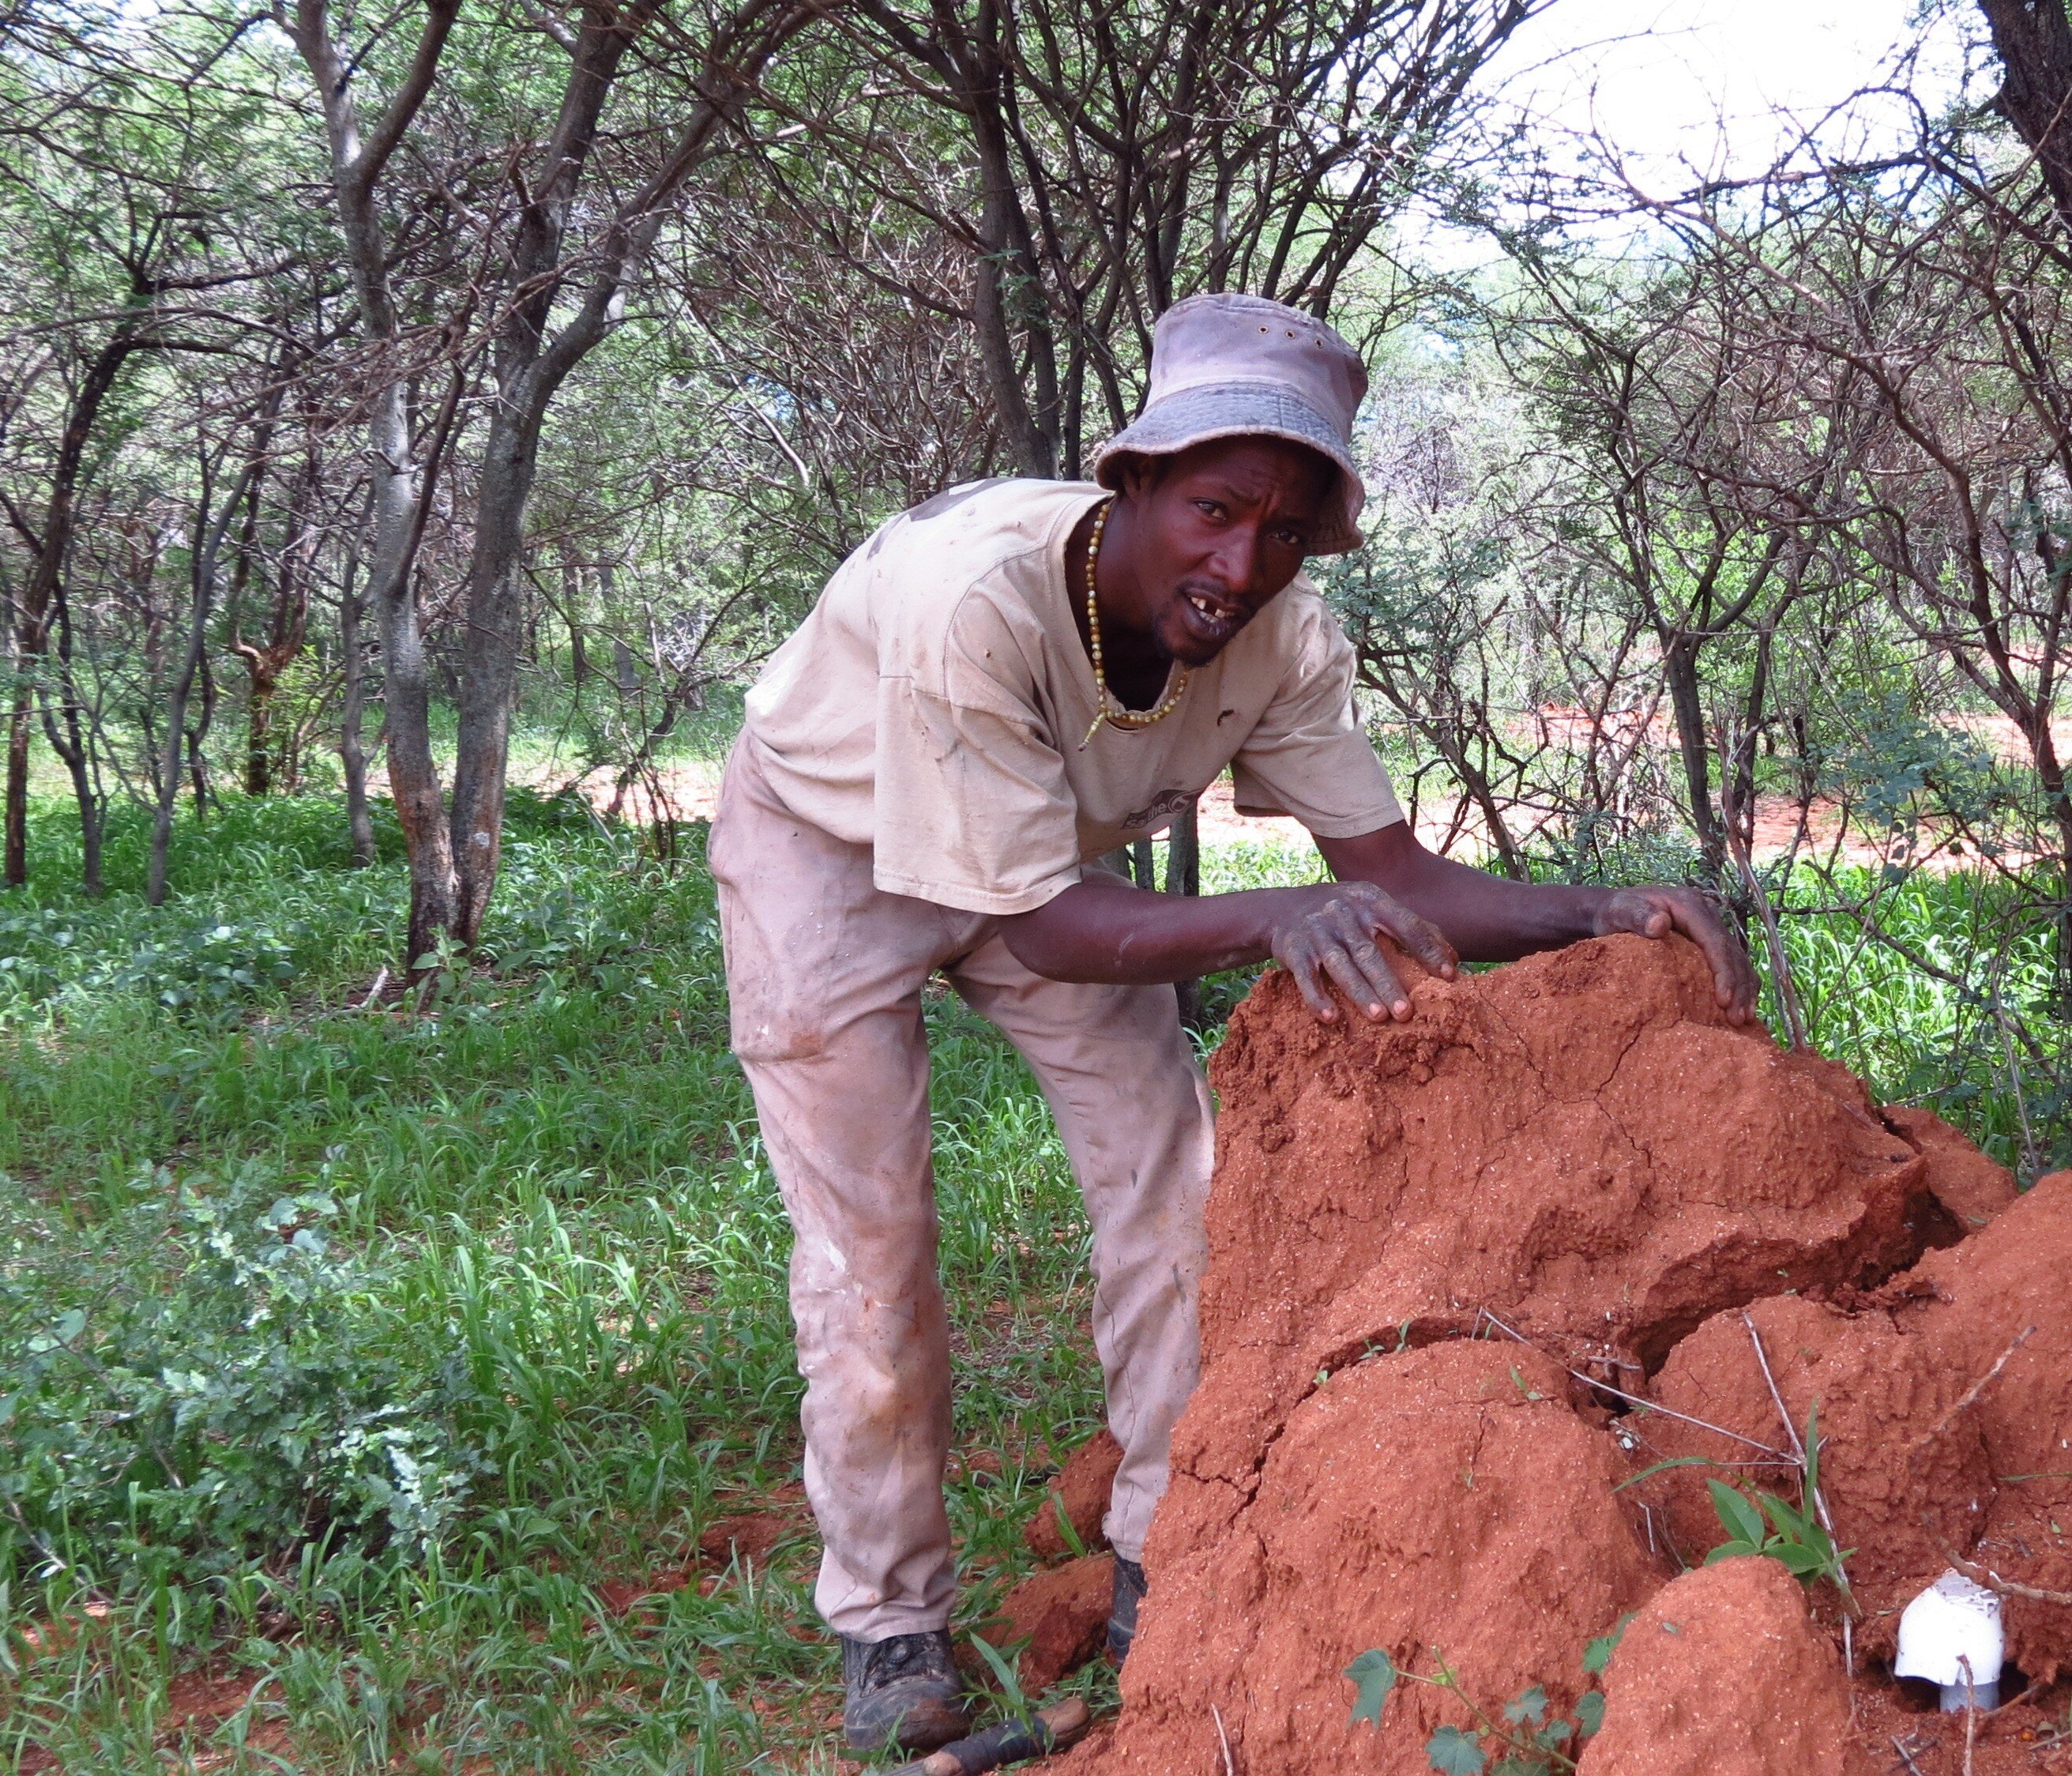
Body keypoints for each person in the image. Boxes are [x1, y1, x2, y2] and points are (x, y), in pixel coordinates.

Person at [709, 291, 1757, 1756]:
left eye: (1281, 533)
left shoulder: (1279, 638)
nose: (1240, 562)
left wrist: (1596, 910)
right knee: (871, 1255)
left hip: (1042, 859)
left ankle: (1163, 1553)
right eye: (1212, 509)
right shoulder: (980, 597)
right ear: (1129, 481)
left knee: (1179, 1191)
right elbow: (1043, 931)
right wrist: (1266, 919)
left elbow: (1393, 880)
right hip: (831, 851)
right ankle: (890, 1621)